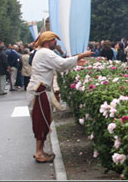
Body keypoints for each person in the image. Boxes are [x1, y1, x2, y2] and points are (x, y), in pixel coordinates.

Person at [27, 31, 92, 163]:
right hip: (39, 91)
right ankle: (39, 152)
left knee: (45, 121)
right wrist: (81, 55)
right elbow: (62, 64)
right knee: (41, 122)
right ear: (47, 42)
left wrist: (76, 61)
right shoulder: (45, 52)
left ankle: (40, 150)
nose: (55, 43)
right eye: (53, 40)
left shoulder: (43, 52)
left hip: (41, 90)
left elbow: (60, 65)